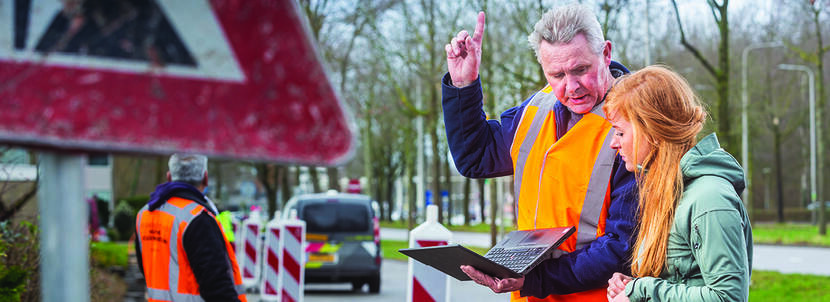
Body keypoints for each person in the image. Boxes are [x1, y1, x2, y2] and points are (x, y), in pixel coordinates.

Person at [443, 4, 638, 301]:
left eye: (580, 70)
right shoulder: (536, 109)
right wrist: (464, 85)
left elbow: (623, 247)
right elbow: (476, 157)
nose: (571, 87)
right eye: (556, 74)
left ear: (606, 54)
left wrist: (531, 280)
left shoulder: (636, 125)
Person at [603, 66, 752, 302]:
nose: (613, 143)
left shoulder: (709, 199)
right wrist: (632, 286)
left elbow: (728, 297)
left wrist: (642, 290)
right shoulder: (664, 190)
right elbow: (681, 281)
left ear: (650, 132)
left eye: (620, 133)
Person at [135, 153, 247, 302]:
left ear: (169, 177)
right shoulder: (197, 218)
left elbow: (147, 269)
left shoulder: (145, 214)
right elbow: (217, 286)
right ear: (205, 178)